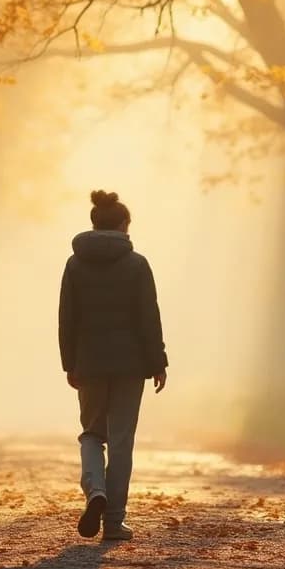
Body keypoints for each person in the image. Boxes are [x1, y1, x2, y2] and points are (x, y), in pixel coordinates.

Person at [58, 190, 168, 541]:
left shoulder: (74, 265)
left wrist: (69, 363)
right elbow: (149, 318)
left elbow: (67, 319)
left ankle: (96, 492)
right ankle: (114, 521)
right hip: (130, 365)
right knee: (121, 441)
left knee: (92, 433)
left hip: (89, 362)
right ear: (123, 225)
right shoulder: (137, 264)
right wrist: (158, 362)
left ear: (94, 224)